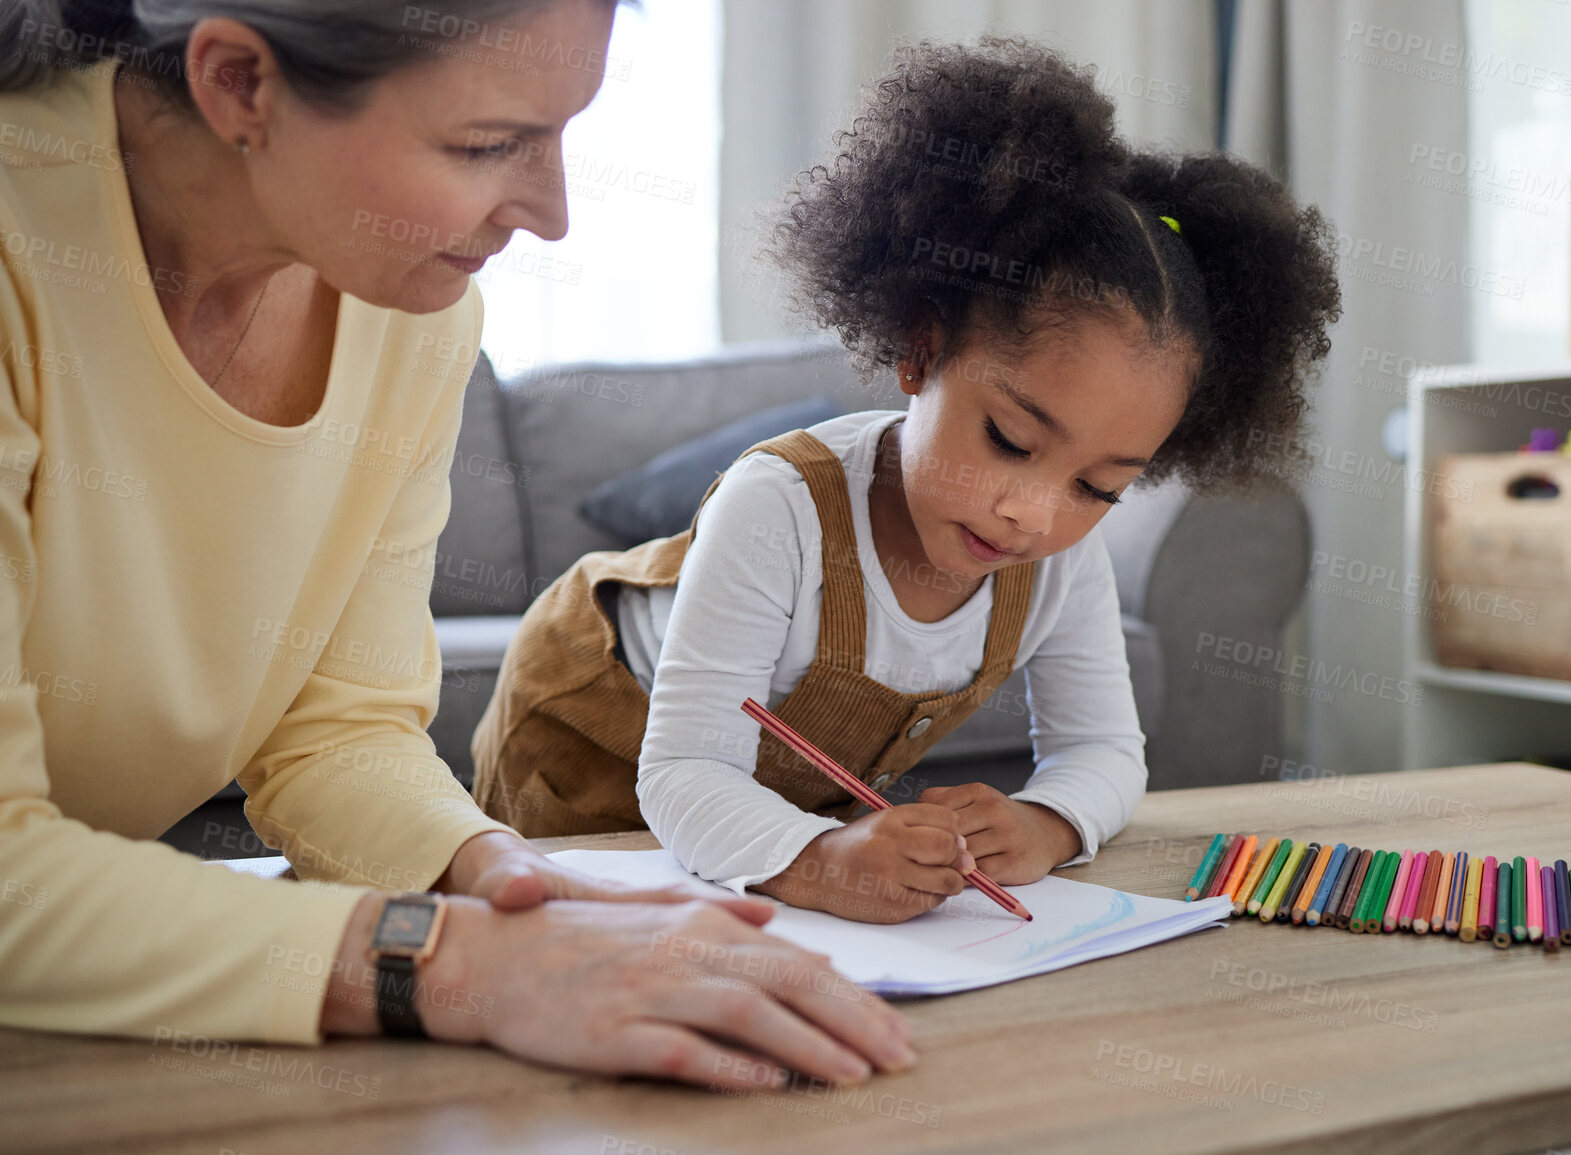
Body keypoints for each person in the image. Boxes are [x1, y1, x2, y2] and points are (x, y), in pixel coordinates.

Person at [0, 0, 914, 1090]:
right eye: (488, 145)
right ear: (240, 83)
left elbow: (335, 733)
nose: (552, 212)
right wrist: (451, 964)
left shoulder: (410, 309)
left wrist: (503, 882)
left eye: (561, 133)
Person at [471, 38, 1341, 923]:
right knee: (575, 933)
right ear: (920, 350)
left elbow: (1106, 749)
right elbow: (688, 769)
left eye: (1100, 488)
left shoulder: (1055, 561)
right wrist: (814, 861)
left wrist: (1045, 821)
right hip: (592, 733)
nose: (1030, 514)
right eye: (1008, 438)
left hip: (758, 792)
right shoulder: (776, 506)